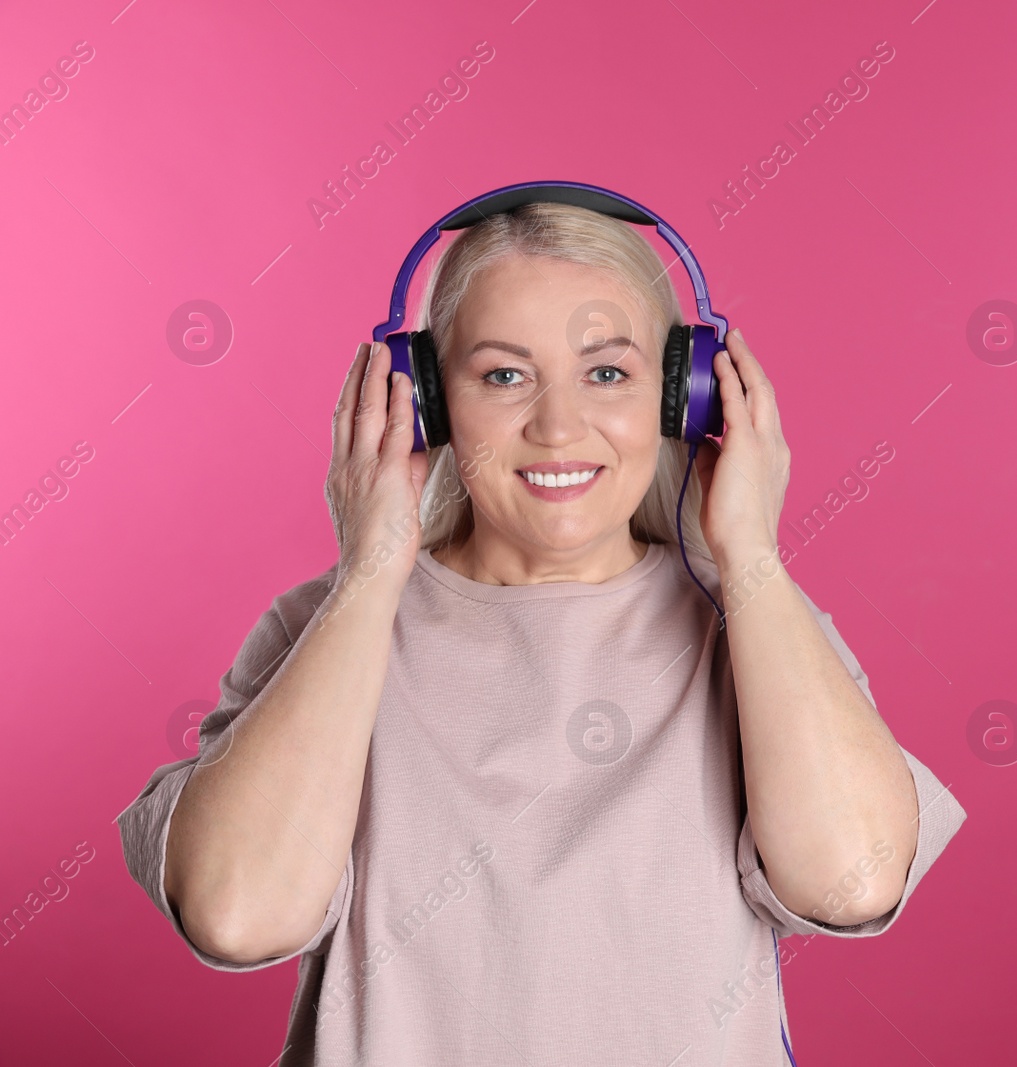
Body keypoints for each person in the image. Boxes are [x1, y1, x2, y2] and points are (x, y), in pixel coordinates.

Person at [116, 201, 966, 1065]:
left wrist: (748, 551)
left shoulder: (753, 628)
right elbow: (237, 913)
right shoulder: (320, 630)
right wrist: (371, 571)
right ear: (425, 405)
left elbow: (851, 886)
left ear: (689, 393)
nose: (558, 427)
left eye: (606, 374)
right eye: (503, 376)